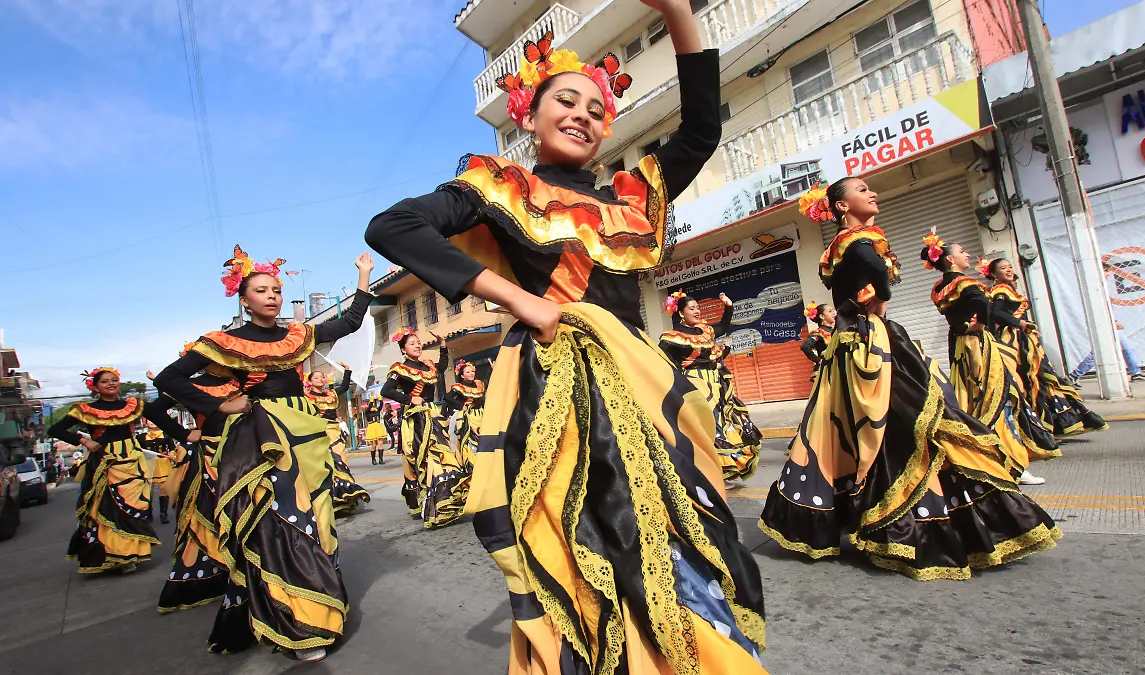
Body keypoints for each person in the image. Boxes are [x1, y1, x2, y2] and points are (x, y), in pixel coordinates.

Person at [365, 3, 766, 669]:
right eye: (567, 100)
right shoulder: (504, 186)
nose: (584, 113)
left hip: (644, 388)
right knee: (594, 542)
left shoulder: (630, 200)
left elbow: (700, 130)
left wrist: (675, 13)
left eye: (597, 107)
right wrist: (520, 299)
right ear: (528, 115)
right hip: (558, 392)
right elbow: (395, 226)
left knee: (686, 534)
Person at [759, 178, 1061, 581]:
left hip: (863, 346)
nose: (873, 193)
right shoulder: (855, 243)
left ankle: (909, 516)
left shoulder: (850, 246)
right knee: (911, 424)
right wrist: (880, 287)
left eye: (871, 188)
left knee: (891, 430)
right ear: (842, 206)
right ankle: (916, 520)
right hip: (872, 344)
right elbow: (873, 270)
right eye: (862, 189)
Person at [154, 248, 374, 663]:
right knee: (286, 523)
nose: (272, 296)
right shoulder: (225, 342)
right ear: (244, 299)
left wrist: (364, 276)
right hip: (262, 438)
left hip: (306, 432)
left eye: (276, 289)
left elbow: (349, 322)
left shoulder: (297, 335)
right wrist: (220, 406)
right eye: (262, 290)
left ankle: (316, 607)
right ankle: (298, 623)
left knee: (321, 522)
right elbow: (169, 379)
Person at [924, 235, 1061, 485]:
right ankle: (1011, 464)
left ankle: (977, 457)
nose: (967, 255)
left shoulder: (938, 288)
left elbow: (956, 318)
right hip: (979, 345)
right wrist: (983, 326)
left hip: (959, 346)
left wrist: (964, 325)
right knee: (998, 399)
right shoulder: (965, 282)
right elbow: (985, 305)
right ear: (950, 259)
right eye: (962, 251)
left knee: (971, 399)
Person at [48, 368, 163, 574]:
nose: (111, 384)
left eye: (114, 380)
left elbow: (161, 414)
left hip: (132, 460)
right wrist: (84, 440)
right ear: (95, 386)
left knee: (134, 508)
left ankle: (131, 553)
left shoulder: (132, 406)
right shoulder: (86, 409)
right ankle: (115, 555)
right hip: (105, 462)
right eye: (105, 381)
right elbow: (55, 430)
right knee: (109, 509)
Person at [146, 360, 237, 613]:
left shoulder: (241, 380)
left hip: (244, 452)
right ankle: (210, 576)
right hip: (210, 455)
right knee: (207, 513)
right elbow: (154, 411)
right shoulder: (192, 385)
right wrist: (185, 434)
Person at [982, 259, 1107, 436]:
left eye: (1010, 266)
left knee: (1040, 378)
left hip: (1024, 339)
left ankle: (1054, 422)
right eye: (1003, 268)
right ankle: (1041, 425)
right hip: (1016, 342)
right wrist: (1020, 323)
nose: (1009, 270)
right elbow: (996, 314)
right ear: (994, 274)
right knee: (1033, 378)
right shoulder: (1000, 291)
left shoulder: (1008, 288)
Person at [659, 291, 763, 482]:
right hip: (694, 383)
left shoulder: (705, 330)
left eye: (698, 307)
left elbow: (722, 327)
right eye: (692, 308)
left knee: (725, 420)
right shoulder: (672, 337)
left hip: (715, 381)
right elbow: (662, 362)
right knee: (710, 424)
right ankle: (712, 468)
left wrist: (728, 307)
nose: (697, 311)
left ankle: (725, 467)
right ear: (681, 313)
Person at [381, 330, 466, 529]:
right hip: (416, 417)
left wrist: (443, 344)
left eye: (418, 342)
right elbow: (387, 390)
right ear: (403, 349)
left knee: (442, 455)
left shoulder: (427, 366)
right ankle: (432, 503)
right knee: (424, 460)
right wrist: (409, 399)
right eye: (412, 343)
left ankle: (445, 500)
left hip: (432, 414)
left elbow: (442, 367)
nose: (417, 346)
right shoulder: (399, 368)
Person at [306, 365, 370, 515]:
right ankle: (328, 499)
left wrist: (347, 370)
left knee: (341, 461)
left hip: (334, 431)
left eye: (322, 377)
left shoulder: (331, 393)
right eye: (316, 378)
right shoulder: (307, 398)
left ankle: (344, 497)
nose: (320, 379)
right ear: (310, 381)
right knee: (326, 466)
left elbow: (345, 386)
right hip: (319, 432)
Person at [443, 359, 487, 475]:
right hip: (468, 416)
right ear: (462, 375)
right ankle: (471, 466)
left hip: (481, 415)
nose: (471, 374)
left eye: (472, 371)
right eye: (467, 372)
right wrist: (461, 405)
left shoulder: (479, 384)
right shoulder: (459, 387)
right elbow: (447, 397)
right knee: (470, 441)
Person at [800, 301, 836, 379]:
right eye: (830, 311)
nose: (834, 313)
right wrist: (819, 361)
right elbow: (805, 346)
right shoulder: (818, 333)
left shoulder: (835, 331)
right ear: (822, 316)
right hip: (827, 372)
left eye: (833, 310)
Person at [363, 393, 387, 465]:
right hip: (372, 426)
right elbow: (370, 405)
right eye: (370, 404)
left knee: (380, 443)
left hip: (378, 426)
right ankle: (373, 460)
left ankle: (381, 459)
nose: (372, 405)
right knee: (373, 444)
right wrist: (372, 397)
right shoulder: (367, 412)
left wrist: (379, 396)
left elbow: (381, 404)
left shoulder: (377, 410)